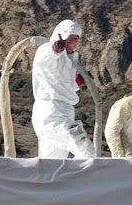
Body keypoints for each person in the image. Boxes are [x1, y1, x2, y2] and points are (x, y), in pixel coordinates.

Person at [31, 19, 95, 158]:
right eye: (71, 39)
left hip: (62, 111)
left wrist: (78, 82)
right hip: (52, 111)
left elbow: (64, 84)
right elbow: (49, 55)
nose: (74, 43)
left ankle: (47, 180)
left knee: (53, 164)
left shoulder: (68, 59)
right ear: (62, 37)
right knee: (86, 152)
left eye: (76, 40)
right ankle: (89, 179)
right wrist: (56, 48)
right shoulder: (47, 49)